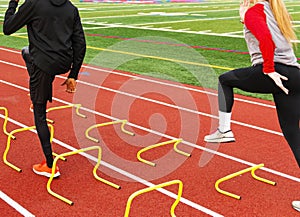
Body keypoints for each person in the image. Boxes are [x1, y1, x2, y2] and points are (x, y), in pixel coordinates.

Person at [203, 0, 300, 212]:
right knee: (294, 134)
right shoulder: (274, 10)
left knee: (224, 80)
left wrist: (268, 70)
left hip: (275, 72)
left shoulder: (254, 10)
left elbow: (266, 39)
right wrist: (243, 19)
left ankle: (224, 130)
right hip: (294, 74)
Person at [3, 0, 86, 177]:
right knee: (26, 52)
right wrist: (73, 75)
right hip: (63, 62)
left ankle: (49, 165)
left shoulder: (34, 3)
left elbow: (8, 28)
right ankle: (41, 89)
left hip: (43, 64)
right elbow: (80, 43)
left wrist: (13, 3)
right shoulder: (71, 8)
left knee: (39, 112)